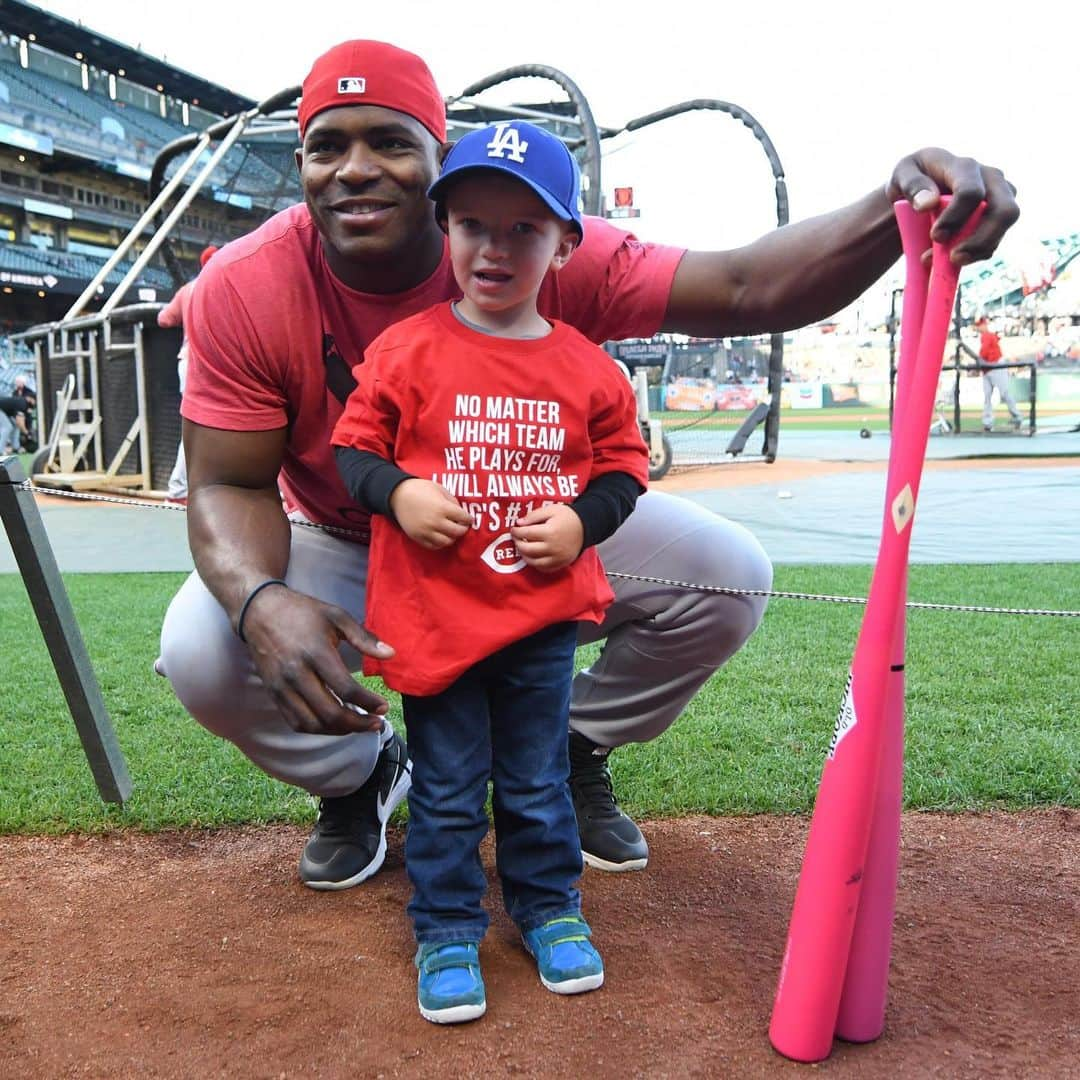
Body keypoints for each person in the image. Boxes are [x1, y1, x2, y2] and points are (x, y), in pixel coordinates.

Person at [157, 40, 1019, 899]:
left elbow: (747, 287)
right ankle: (360, 777)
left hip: (539, 527)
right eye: (327, 145)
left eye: (388, 141)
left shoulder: (524, 242)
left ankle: (564, 744)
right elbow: (228, 484)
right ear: (301, 161)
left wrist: (894, 208)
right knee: (206, 644)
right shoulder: (249, 283)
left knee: (727, 575)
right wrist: (263, 602)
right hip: (360, 538)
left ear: (437, 157)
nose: (355, 168)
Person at [332, 120, 650, 1022]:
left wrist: (581, 522)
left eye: (524, 229)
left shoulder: (588, 368)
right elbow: (354, 449)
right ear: (445, 231)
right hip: (436, 617)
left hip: (539, 616)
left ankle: (550, 908)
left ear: (564, 244)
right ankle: (445, 925)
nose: (494, 247)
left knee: (539, 775)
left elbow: (625, 470)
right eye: (472, 224)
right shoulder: (406, 349)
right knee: (444, 781)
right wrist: (397, 495)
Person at [156, 245, 219, 502]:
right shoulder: (226, 280)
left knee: (197, 426)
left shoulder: (188, 289)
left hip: (189, 361)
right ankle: (181, 488)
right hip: (215, 364)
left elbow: (163, 319)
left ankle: (180, 488)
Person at [974, 316, 1023, 431]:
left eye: (981, 325)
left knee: (1004, 393)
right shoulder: (985, 336)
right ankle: (987, 422)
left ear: (985, 325)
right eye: (978, 325)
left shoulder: (988, 335)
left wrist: (978, 359)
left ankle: (1017, 416)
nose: (979, 327)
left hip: (996, 366)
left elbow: (984, 351)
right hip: (987, 368)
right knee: (987, 396)